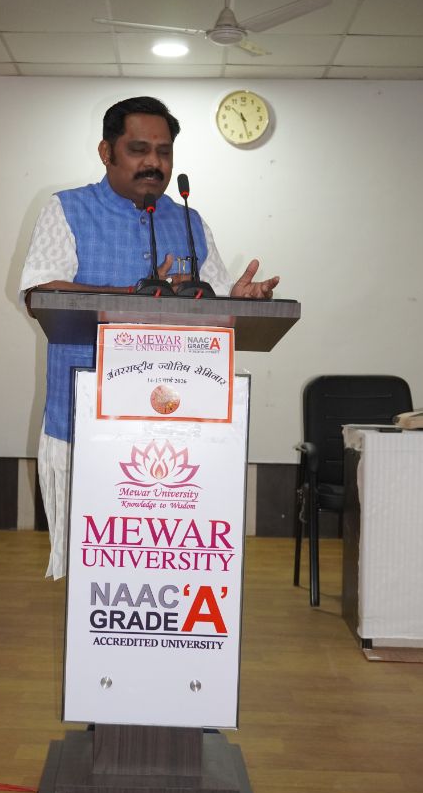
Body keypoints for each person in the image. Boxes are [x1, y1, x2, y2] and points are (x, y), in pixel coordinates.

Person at [20, 96, 279, 579]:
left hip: (180, 431)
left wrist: (238, 300)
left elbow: (214, 300)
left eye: (163, 152)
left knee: (168, 568)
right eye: (138, 149)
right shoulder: (68, 209)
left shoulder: (189, 221)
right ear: (106, 152)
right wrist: (133, 295)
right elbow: (42, 291)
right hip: (87, 424)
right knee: (98, 570)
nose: (153, 163)